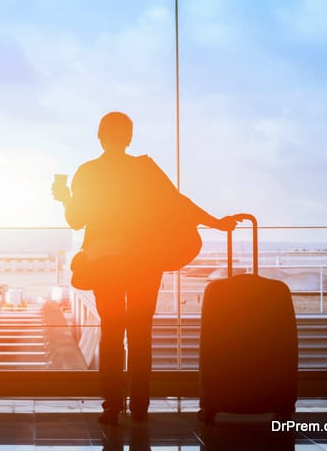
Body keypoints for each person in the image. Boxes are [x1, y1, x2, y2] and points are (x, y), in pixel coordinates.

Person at [52, 111, 236, 424]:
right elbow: (179, 202)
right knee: (140, 335)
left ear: (100, 136)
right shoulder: (144, 169)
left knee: (111, 334)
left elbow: (76, 220)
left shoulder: (88, 172)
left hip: (106, 262)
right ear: (129, 137)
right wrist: (216, 223)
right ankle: (139, 406)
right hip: (143, 262)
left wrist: (65, 197)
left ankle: (111, 407)